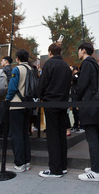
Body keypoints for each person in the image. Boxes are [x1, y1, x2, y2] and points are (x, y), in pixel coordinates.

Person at [38, 43, 71, 178]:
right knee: (61, 134)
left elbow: (42, 83)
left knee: (52, 135)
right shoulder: (66, 66)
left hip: (51, 102)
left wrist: (40, 95)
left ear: (50, 52)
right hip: (63, 102)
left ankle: (55, 169)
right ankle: (62, 166)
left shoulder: (48, 64)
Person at [75, 42, 99, 182]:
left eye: (79, 50)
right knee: (95, 137)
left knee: (92, 138)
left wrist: (76, 100)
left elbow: (82, 85)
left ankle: (95, 171)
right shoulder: (94, 64)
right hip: (95, 104)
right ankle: (98, 167)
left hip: (88, 103)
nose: (78, 53)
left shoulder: (87, 64)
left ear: (83, 50)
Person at [5, 49, 32, 172]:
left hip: (16, 105)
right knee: (25, 133)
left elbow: (12, 87)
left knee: (16, 135)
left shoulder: (17, 69)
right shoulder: (32, 69)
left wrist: (7, 99)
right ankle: (26, 161)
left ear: (17, 59)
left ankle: (19, 163)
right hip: (28, 104)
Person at [69, 65, 82, 133]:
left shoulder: (78, 74)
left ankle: (82, 126)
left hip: (77, 96)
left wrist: (69, 71)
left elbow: (75, 78)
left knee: (78, 112)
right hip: (73, 96)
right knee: (74, 111)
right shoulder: (73, 76)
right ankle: (75, 126)